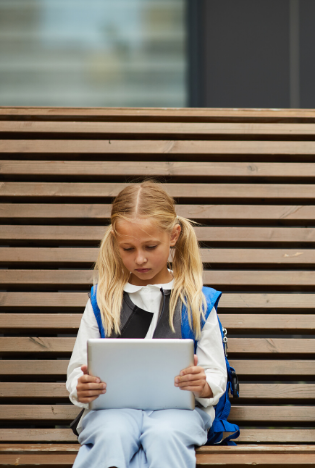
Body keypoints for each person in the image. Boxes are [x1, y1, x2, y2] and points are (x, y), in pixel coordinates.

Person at [66, 181, 228, 468]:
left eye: (150, 246)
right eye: (128, 248)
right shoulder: (102, 300)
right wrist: (82, 389)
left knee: (164, 434)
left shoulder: (197, 301)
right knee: (112, 432)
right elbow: (78, 371)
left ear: (173, 235)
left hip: (179, 413)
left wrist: (202, 385)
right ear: (115, 243)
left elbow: (215, 373)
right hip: (111, 413)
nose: (139, 259)